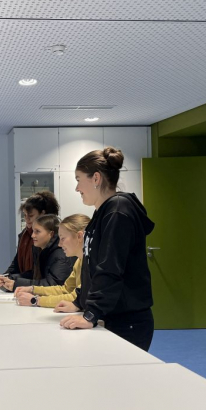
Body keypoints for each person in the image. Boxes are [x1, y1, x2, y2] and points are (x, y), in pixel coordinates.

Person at [56, 147, 156, 352]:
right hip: (111, 317)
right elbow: (91, 266)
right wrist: (79, 302)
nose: (77, 188)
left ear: (96, 178)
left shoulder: (117, 211)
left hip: (127, 321)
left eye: (78, 179)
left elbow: (110, 267)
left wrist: (91, 314)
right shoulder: (102, 213)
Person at [14, 214, 90, 308]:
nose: (59, 244)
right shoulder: (79, 261)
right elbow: (66, 289)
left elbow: (77, 297)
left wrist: (35, 300)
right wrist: (33, 289)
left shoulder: (91, 263)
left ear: (79, 236)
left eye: (62, 238)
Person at [0, 191, 59, 282]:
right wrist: (5, 276)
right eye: (25, 215)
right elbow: (17, 263)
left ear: (43, 214)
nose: (27, 219)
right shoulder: (24, 234)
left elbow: (42, 276)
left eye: (31, 215)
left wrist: (13, 280)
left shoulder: (48, 240)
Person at [0, 214, 74, 291]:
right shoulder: (42, 250)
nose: (32, 235)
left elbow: (53, 284)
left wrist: (16, 284)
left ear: (51, 234)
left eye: (37, 231)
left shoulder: (60, 254)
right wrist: (10, 278)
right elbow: (36, 275)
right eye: (33, 231)